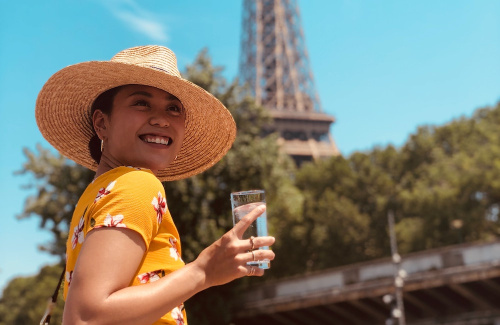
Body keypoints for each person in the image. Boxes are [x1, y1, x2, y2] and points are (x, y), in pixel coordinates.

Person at [35, 45, 275, 325]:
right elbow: (86, 317)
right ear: (101, 123)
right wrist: (203, 271)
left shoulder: (100, 193)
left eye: (173, 108)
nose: (161, 119)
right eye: (141, 103)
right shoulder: (137, 185)